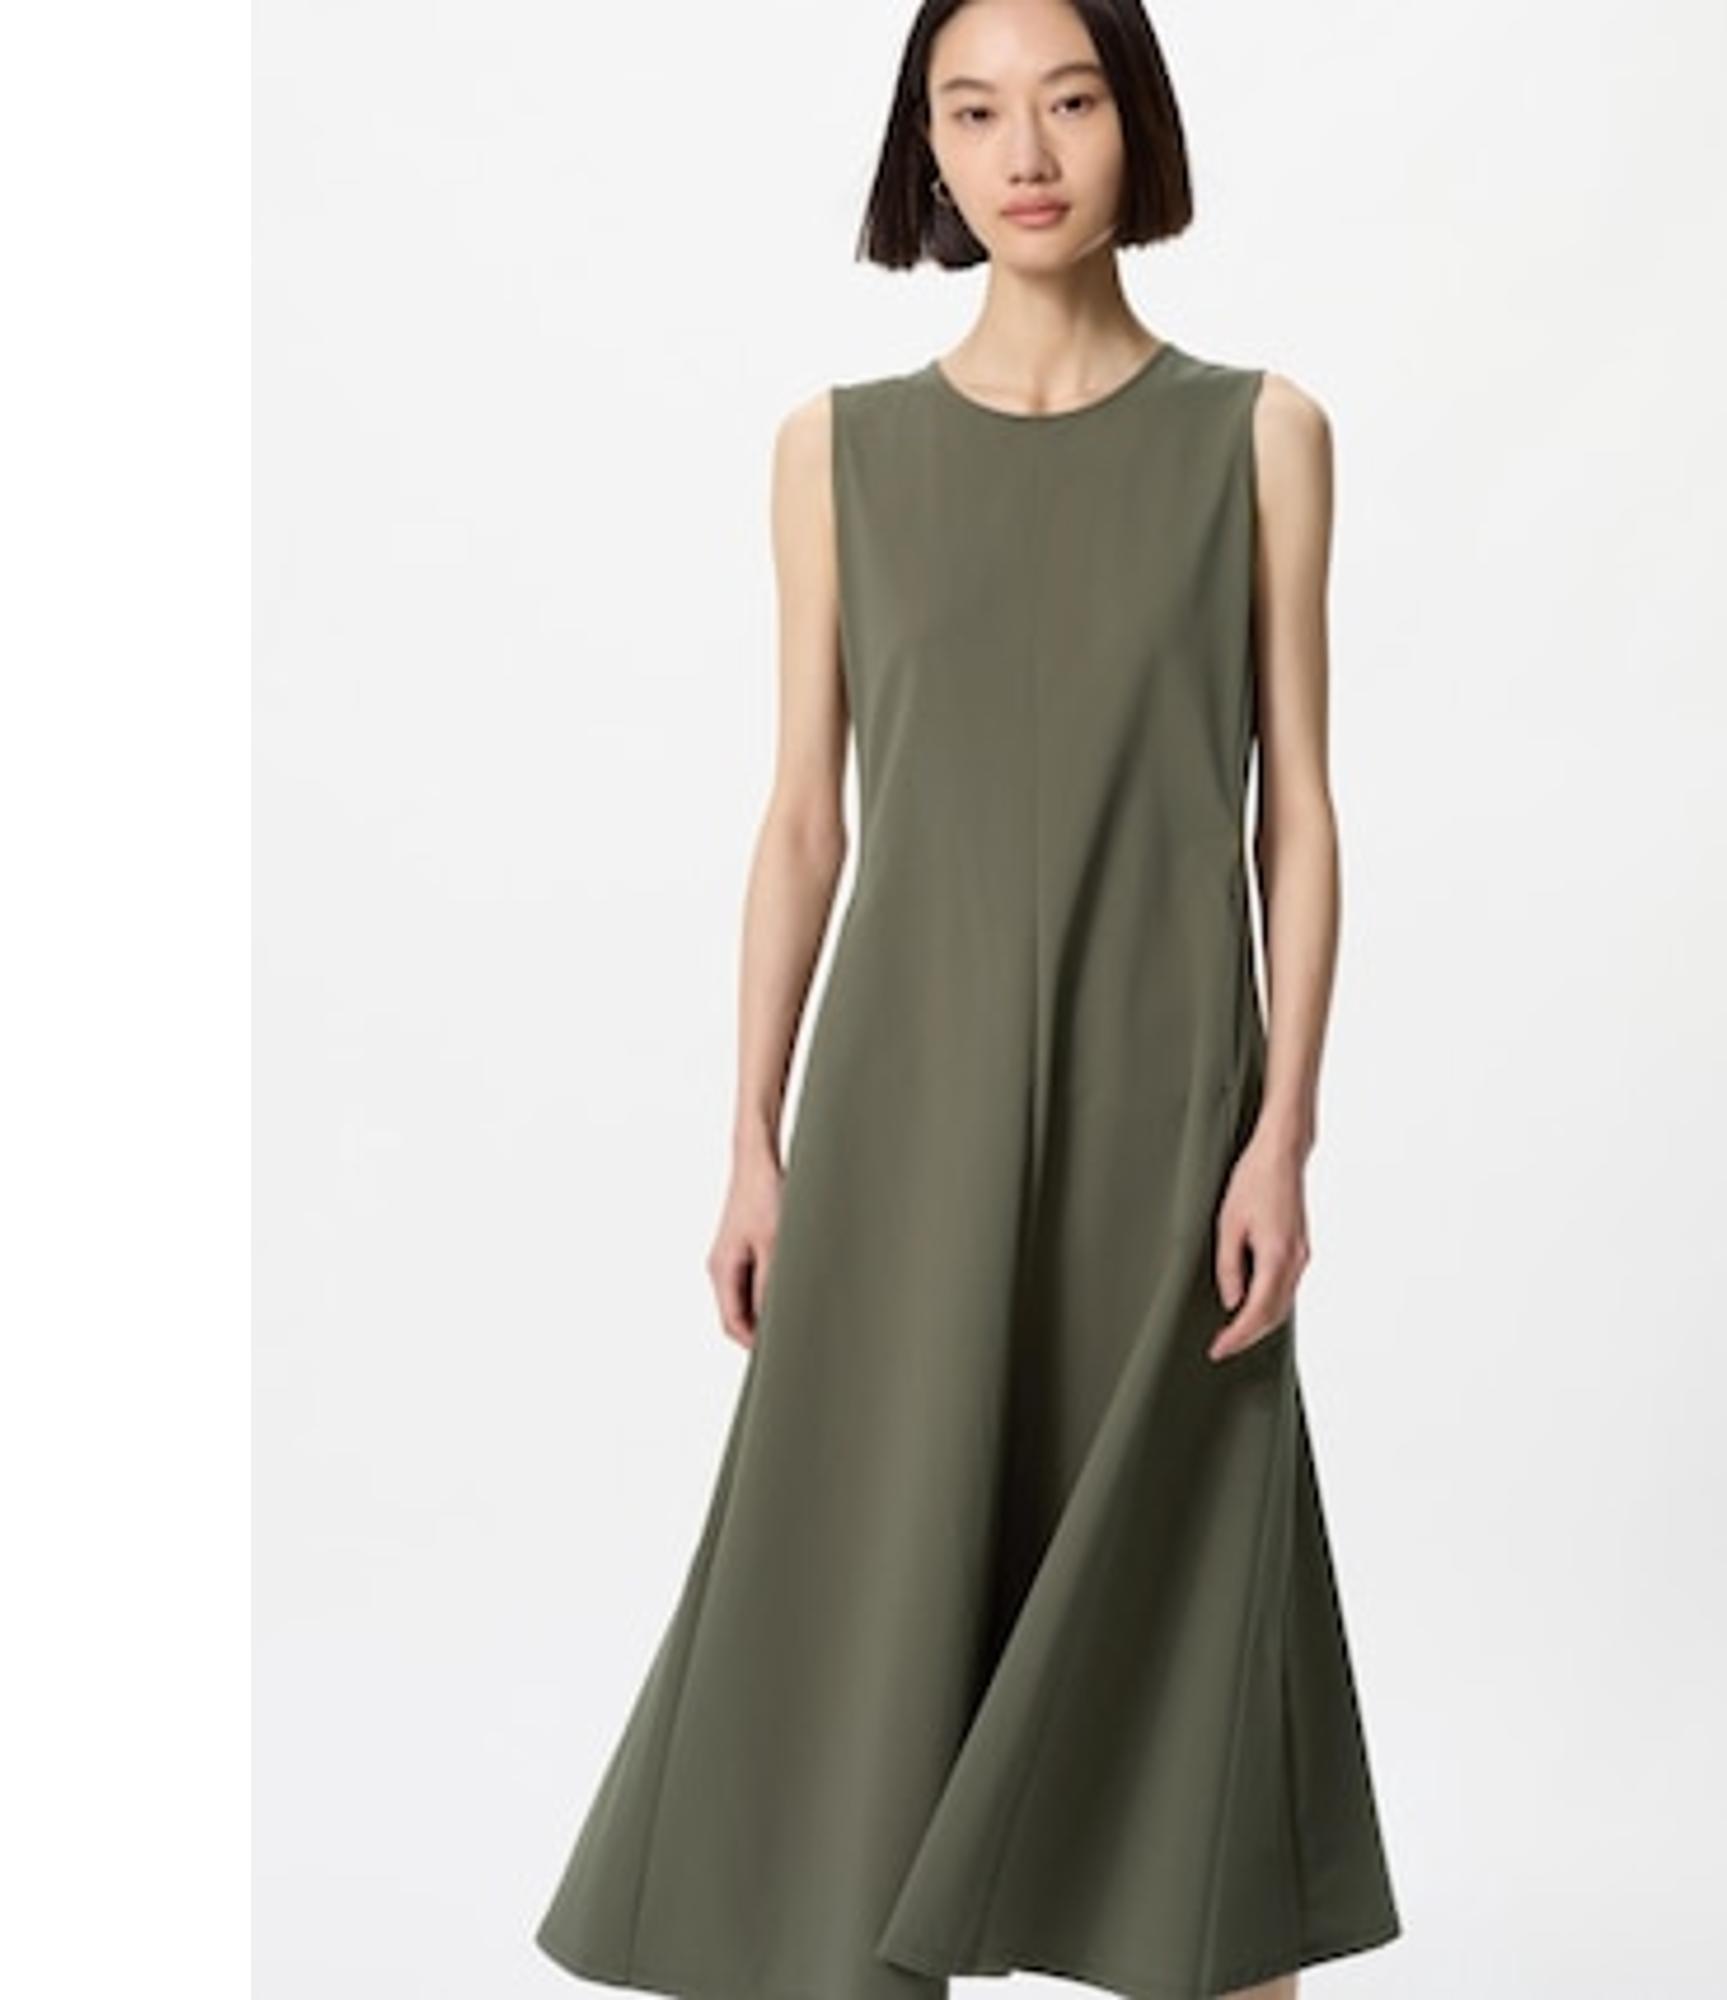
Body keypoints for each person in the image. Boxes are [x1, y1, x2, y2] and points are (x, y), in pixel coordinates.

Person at [535, 3, 1403, 1995]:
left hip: (1167, 1122)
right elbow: (801, 820)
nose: (1026, 152)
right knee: (865, 1625)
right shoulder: (834, 452)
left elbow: (1297, 808)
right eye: (975, 110)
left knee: (1190, 1622)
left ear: (1135, 126)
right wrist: (752, 1142)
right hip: (901, 1126)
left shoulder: (1261, 435)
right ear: (922, 149)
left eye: (1071, 101)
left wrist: (1283, 1131)